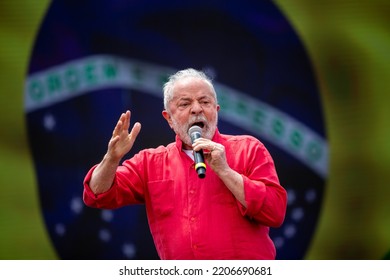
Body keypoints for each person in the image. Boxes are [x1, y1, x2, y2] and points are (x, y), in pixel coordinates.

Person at [83, 68, 288, 260]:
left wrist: (226, 172)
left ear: (216, 110)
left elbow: (275, 211)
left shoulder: (249, 149)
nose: (197, 109)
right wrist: (111, 159)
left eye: (205, 102)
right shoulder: (150, 163)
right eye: (185, 104)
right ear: (169, 119)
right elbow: (97, 195)